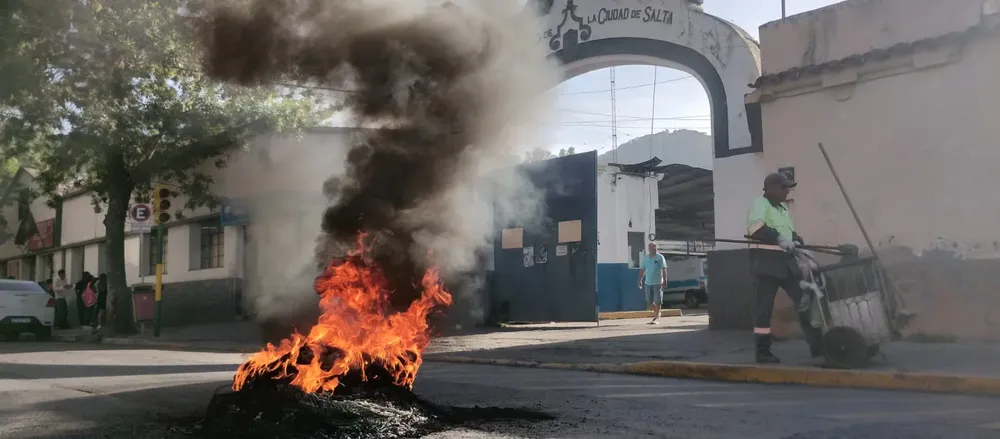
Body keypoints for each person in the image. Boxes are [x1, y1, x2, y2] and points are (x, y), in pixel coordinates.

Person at [746, 172, 824, 364]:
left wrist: (796, 239)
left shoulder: (782, 208)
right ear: (772, 188)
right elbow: (755, 228)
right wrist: (780, 239)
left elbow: (788, 231)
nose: (787, 191)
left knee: (805, 301)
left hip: (787, 263)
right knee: (764, 309)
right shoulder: (760, 204)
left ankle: (818, 346)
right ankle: (762, 351)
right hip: (766, 263)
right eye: (784, 187)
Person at [637, 242, 668, 325]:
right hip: (648, 282)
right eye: (650, 247)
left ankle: (656, 317)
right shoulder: (646, 258)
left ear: (656, 248)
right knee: (649, 302)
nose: (652, 249)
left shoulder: (660, 257)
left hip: (658, 282)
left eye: (654, 247)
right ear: (648, 249)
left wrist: (665, 280)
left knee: (658, 300)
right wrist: (640, 280)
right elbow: (642, 270)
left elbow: (664, 269)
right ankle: (658, 312)